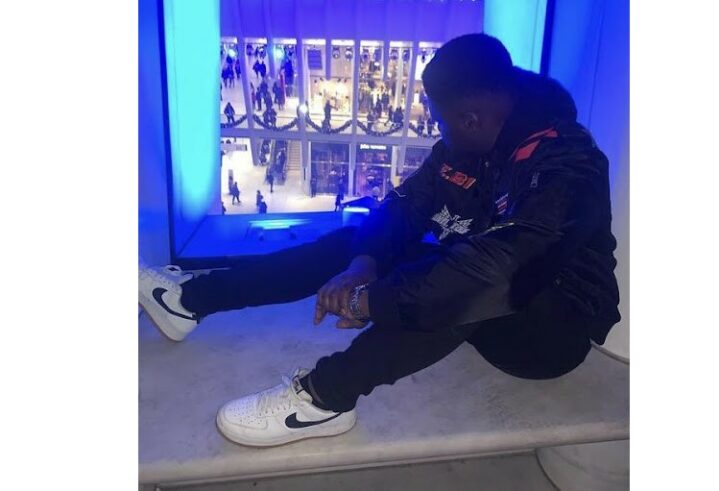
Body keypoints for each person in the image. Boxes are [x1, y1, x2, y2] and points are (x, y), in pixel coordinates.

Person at [139, 34, 620, 448]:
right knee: (358, 241)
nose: (439, 130)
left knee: (456, 287)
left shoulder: (567, 167)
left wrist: (371, 302)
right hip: (484, 280)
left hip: (550, 331)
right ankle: (189, 301)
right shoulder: (469, 143)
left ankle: (326, 397)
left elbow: (498, 273)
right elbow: (405, 207)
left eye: (442, 120)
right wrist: (362, 267)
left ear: (471, 118)